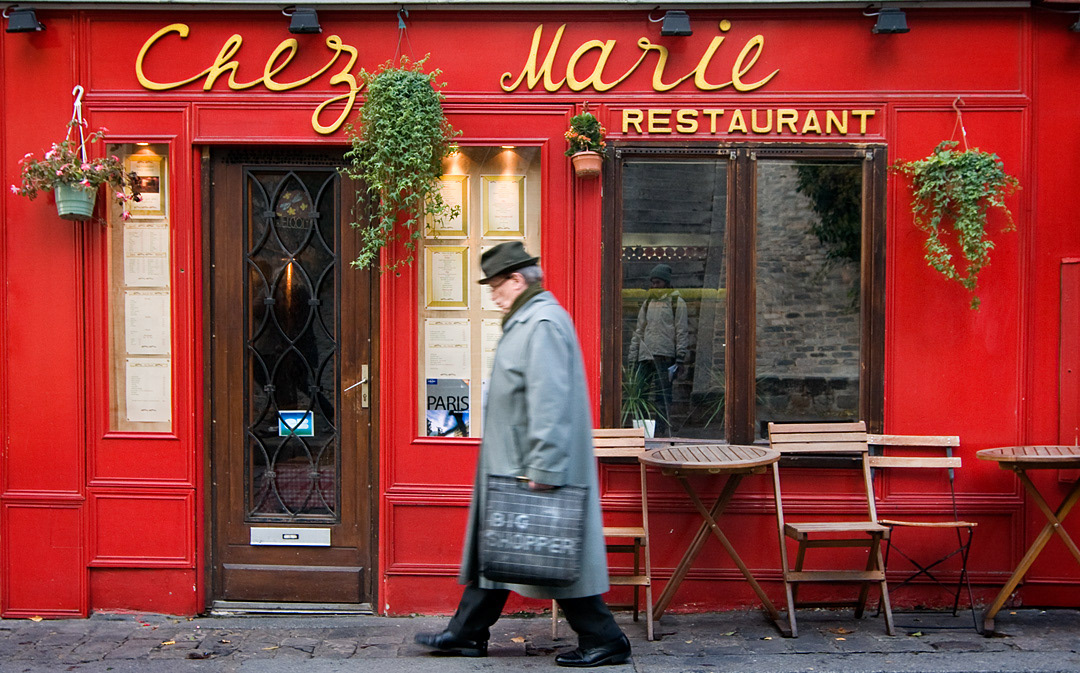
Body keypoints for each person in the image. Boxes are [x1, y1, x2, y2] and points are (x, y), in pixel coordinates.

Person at [415, 241, 631, 668]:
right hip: (511, 463)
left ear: (516, 280)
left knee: (550, 554)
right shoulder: (528, 319)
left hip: (530, 465)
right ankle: (466, 634)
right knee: (499, 550)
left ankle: (605, 638)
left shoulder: (543, 322)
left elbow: (550, 400)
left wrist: (544, 466)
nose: (492, 296)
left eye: (495, 286)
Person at [626, 263, 690, 436]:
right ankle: (642, 432)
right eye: (653, 282)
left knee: (662, 398)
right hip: (645, 356)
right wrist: (633, 356)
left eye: (658, 282)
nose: (654, 286)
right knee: (640, 396)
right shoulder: (647, 303)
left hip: (665, 355)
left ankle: (661, 432)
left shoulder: (677, 302)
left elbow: (681, 330)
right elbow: (639, 330)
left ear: (666, 283)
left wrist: (680, 357)